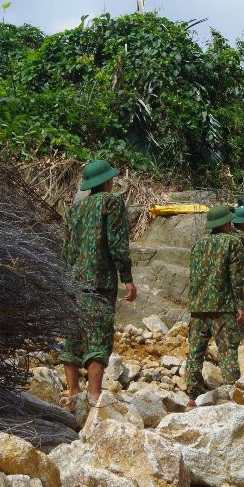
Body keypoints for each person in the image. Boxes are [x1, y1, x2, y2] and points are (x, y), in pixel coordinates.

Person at [60, 160, 137, 402]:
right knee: (98, 337)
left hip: (73, 281)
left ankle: (72, 392)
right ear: (107, 181)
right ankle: (94, 395)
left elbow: (66, 251)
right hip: (100, 281)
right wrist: (127, 278)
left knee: (73, 336)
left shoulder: (73, 210)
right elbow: (117, 244)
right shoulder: (111, 202)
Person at [185, 205, 244, 405]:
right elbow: (237, 278)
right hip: (223, 307)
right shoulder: (233, 243)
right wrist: (239, 304)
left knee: (195, 352)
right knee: (227, 351)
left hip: (197, 307)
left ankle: (192, 395)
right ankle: (231, 394)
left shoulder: (198, 244)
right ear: (227, 223)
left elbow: (194, 276)